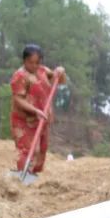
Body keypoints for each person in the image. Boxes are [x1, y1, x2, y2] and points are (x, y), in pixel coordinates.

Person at [10, 44, 65, 179]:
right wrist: (35, 111)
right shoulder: (20, 76)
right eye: (31, 62)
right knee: (29, 150)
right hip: (24, 120)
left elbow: (60, 81)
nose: (34, 66)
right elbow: (18, 99)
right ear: (24, 60)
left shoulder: (43, 71)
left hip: (41, 120)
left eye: (37, 62)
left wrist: (60, 72)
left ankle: (32, 177)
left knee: (41, 151)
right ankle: (22, 177)